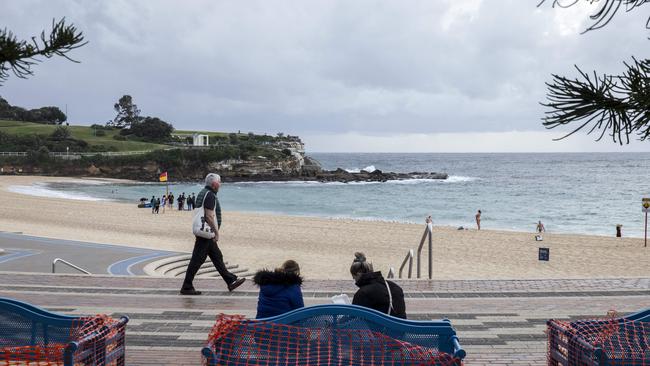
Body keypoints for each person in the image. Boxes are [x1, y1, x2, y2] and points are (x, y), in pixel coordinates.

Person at [180, 173, 245, 295]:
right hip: (206, 233)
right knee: (197, 260)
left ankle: (230, 280)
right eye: (219, 182)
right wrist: (216, 232)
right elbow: (209, 216)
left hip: (203, 232)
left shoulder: (203, 192)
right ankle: (186, 286)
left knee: (217, 257)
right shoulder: (210, 195)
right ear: (214, 184)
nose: (220, 185)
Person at [349, 252, 406, 319]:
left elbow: (353, 318)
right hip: (400, 328)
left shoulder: (362, 293)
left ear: (358, 274)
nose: (353, 279)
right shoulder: (395, 287)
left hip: (381, 329)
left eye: (353, 276)